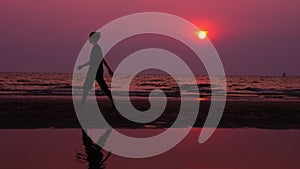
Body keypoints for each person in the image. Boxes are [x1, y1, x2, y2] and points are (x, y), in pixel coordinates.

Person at [78, 31, 115, 108]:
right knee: (88, 87)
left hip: (96, 70)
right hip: (94, 70)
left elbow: (102, 59)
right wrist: (82, 66)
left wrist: (109, 69)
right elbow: (93, 60)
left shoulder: (97, 48)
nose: (89, 39)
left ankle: (82, 104)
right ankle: (82, 104)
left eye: (90, 37)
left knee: (98, 87)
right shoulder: (95, 47)